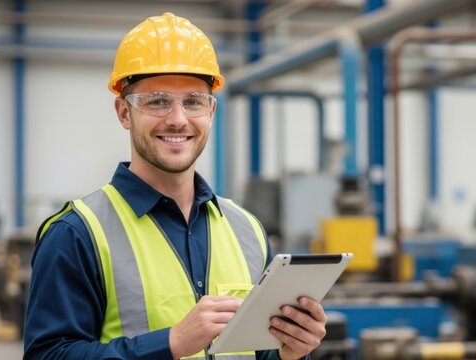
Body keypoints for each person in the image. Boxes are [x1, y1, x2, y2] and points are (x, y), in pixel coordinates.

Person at [23, 12, 327, 360]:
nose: (178, 119)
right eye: (158, 101)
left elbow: (256, 353)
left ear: (211, 111)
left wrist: (289, 350)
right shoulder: (76, 234)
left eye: (193, 102)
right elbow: (47, 355)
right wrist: (170, 343)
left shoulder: (248, 231)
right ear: (124, 112)